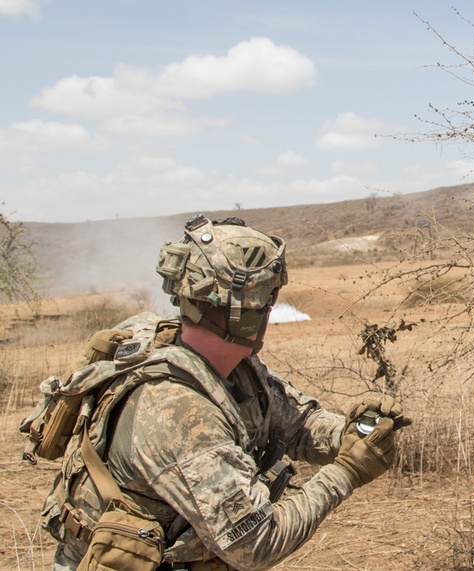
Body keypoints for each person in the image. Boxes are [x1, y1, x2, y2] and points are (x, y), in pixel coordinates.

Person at [41, 215, 408, 571]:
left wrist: (352, 432)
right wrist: (345, 472)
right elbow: (257, 543)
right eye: (267, 299)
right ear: (245, 313)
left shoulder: (224, 363)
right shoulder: (179, 412)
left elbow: (296, 423)